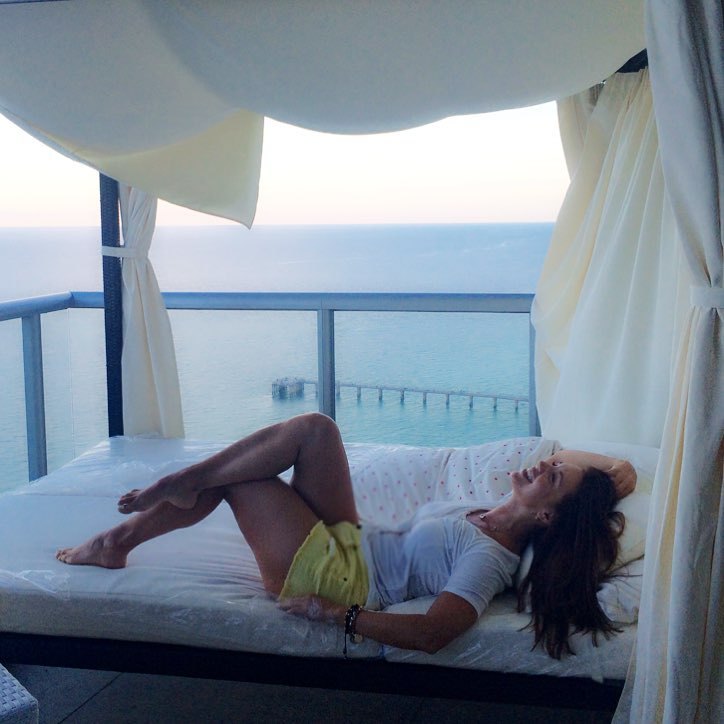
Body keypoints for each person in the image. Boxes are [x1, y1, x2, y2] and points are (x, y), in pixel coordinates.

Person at [56, 413, 636, 659]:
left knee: (242, 478)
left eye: (552, 477)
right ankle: (180, 487)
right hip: (350, 540)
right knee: (316, 430)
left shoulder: (490, 556)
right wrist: (611, 471)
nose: (545, 463)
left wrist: (336, 614)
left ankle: (125, 535)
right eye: (551, 464)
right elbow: (596, 469)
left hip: (338, 577)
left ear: (547, 519)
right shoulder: (483, 509)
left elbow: (436, 632)